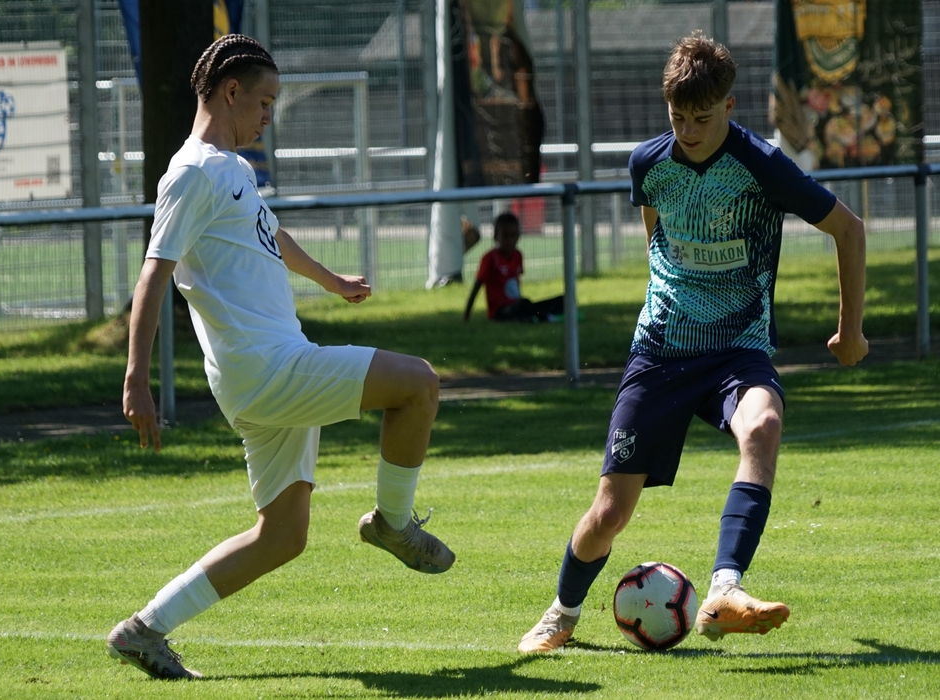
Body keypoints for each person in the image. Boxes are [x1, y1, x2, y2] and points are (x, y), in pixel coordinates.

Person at [106, 34, 455, 680]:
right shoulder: (192, 171)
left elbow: (273, 238)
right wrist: (137, 380)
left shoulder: (233, 170)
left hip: (268, 371)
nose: (270, 115)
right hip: (266, 369)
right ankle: (392, 524)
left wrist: (333, 282)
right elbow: (154, 274)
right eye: (265, 102)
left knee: (283, 537)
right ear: (231, 91)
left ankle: (143, 630)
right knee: (418, 384)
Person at [517, 32, 868, 653]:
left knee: (763, 427)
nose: (687, 131)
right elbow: (656, 234)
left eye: (702, 119)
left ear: (730, 107)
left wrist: (851, 329)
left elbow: (849, 228)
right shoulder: (647, 164)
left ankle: (724, 589)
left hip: (738, 348)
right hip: (660, 351)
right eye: (677, 118)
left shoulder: (761, 165)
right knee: (610, 513)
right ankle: (561, 613)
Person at [463, 212, 564, 323]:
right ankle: (546, 318)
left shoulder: (518, 255)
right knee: (524, 305)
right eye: (505, 236)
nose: (510, 241)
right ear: (496, 237)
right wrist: (466, 315)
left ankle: (535, 316)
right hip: (500, 310)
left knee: (562, 300)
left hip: (517, 304)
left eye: (513, 236)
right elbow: (477, 285)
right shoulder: (490, 258)